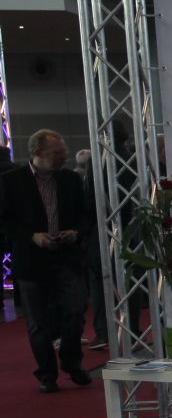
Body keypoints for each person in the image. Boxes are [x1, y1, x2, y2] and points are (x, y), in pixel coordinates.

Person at [0, 130, 92, 392]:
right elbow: (5, 221)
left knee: (75, 310)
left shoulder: (71, 180)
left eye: (64, 152)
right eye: (58, 153)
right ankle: (46, 374)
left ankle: (71, 362)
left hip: (67, 256)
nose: (64, 157)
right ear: (38, 153)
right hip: (31, 260)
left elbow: (86, 215)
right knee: (37, 322)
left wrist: (75, 233)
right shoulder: (11, 181)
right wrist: (33, 237)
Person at [75, 147, 109, 349]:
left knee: (98, 282)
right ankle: (132, 331)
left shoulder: (90, 170)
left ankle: (103, 332)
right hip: (106, 231)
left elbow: (87, 202)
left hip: (96, 233)